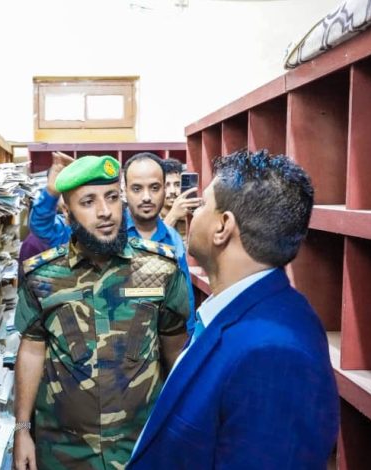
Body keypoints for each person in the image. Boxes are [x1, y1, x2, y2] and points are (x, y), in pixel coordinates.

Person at [128, 150, 339, 469]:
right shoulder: (244, 313)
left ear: (222, 226)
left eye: (203, 205)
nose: (194, 213)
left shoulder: (274, 354)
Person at [13, 155, 190, 470]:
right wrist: (22, 430)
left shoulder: (160, 268)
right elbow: (31, 351)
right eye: (88, 202)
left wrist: (184, 424)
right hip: (64, 451)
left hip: (141, 443)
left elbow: (175, 352)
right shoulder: (42, 276)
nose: (105, 211)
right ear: (68, 212)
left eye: (112, 197)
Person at [29, 152, 194, 319]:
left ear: (164, 190)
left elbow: (183, 303)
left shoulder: (173, 239)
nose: (146, 197)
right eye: (137, 189)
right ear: (125, 191)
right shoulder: (102, 231)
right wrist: (51, 193)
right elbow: (42, 227)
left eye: (155, 188)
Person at [160, 157, 201, 233]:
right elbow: (154, 239)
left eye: (177, 185)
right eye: (166, 185)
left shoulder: (190, 217)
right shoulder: (150, 218)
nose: (172, 191)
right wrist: (173, 215)